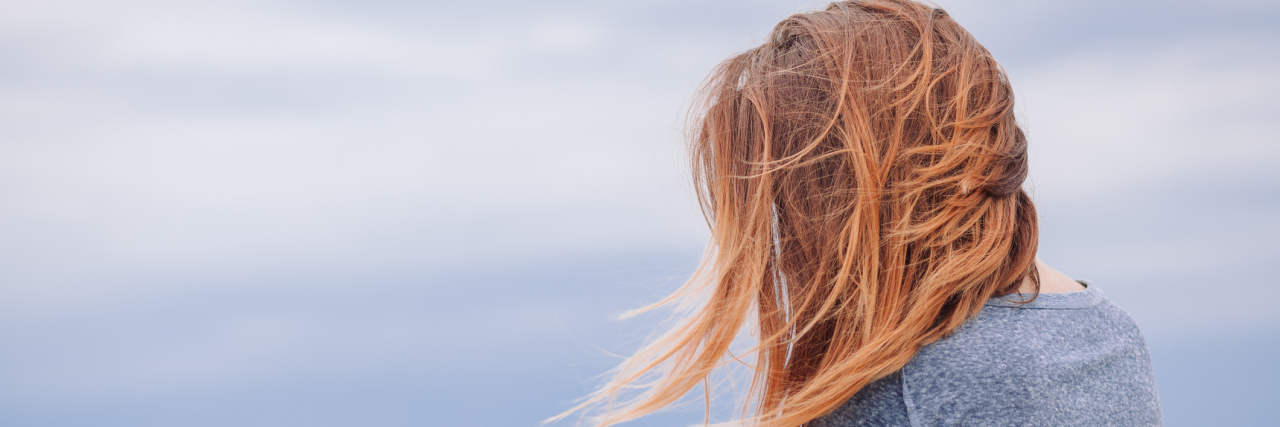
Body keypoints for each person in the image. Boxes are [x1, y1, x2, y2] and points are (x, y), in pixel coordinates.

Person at [551, 0, 1162, 425]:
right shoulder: (1107, 328)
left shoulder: (906, 380)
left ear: (842, 196)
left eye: (788, 202)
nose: (784, 240)